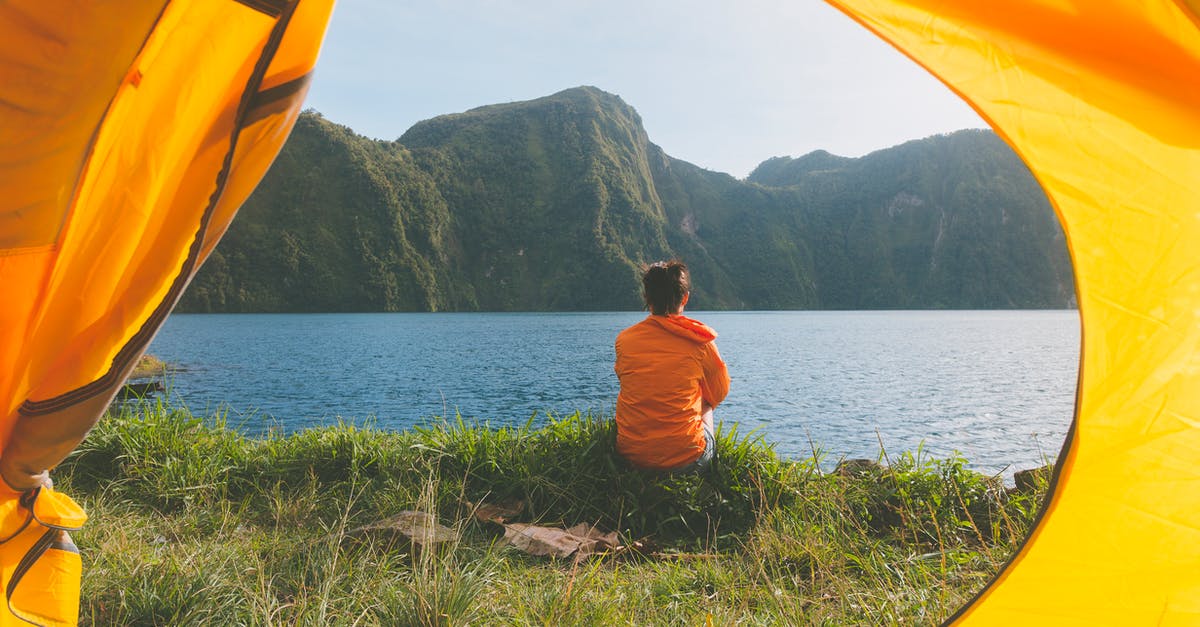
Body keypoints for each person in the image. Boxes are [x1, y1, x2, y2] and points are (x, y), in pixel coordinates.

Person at [614, 260, 730, 473]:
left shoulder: (624, 340)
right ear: (685, 298)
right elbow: (719, 393)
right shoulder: (700, 342)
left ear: (646, 298)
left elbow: (624, 378)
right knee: (706, 401)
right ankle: (706, 467)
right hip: (687, 461)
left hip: (631, 457)